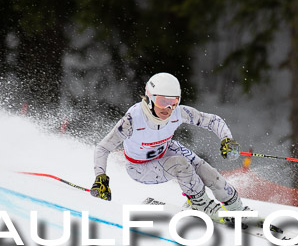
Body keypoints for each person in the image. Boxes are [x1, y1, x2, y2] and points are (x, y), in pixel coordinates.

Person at [90, 72, 248, 220]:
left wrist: (227, 139)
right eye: (162, 102)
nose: (168, 109)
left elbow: (213, 121)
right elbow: (103, 148)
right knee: (181, 164)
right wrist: (100, 177)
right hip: (139, 167)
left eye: (173, 102)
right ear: (149, 98)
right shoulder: (133, 120)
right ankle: (200, 204)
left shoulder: (178, 113)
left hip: (166, 150)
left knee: (208, 172)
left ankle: (236, 207)